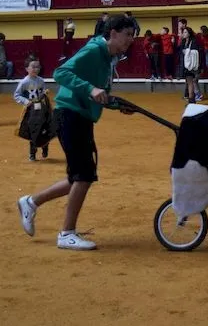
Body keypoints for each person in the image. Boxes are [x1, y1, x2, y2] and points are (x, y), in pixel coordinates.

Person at [16, 14, 135, 251]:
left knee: (78, 176)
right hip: (70, 115)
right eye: (128, 35)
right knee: (84, 175)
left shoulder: (108, 57)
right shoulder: (94, 50)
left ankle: (31, 202)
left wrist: (115, 104)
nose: (131, 40)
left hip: (80, 116)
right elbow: (61, 73)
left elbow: (97, 93)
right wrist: (91, 89)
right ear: (112, 34)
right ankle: (66, 233)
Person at [13, 57, 50, 161]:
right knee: (33, 131)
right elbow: (17, 95)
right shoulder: (24, 82)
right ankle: (32, 153)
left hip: (41, 110)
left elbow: (42, 94)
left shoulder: (41, 81)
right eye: (33, 67)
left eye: (37, 67)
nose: (35, 69)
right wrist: (26, 101)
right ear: (27, 69)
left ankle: (44, 146)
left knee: (45, 128)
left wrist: (44, 94)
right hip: (30, 111)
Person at [180, 27, 201, 105]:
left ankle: (191, 99)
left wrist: (186, 52)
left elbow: (195, 53)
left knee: (190, 82)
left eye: (185, 32)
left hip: (191, 64)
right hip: (186, 64)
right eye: (183, 32)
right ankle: (191, 99)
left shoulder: (193, 41)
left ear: (189, 33)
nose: (183, 34)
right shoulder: (183, 41)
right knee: (189, 82)